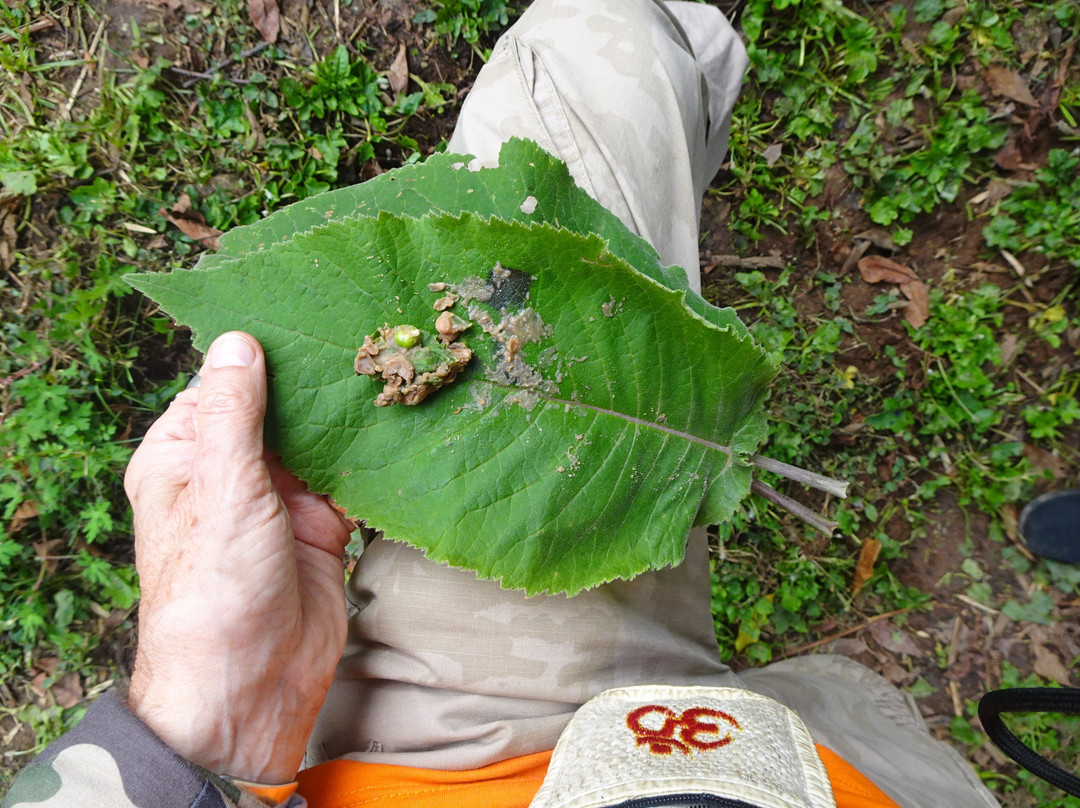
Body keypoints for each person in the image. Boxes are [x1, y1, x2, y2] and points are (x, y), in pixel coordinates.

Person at [2, 2, 1002, 807]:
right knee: (602, 45)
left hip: (437, 761)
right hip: (834, 778)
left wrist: (200, 730)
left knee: (596, 51)